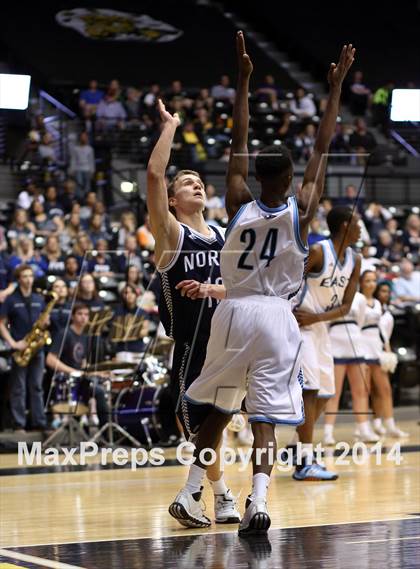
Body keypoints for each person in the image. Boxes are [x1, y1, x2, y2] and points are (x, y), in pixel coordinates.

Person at [169, 33, 355, 534]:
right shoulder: (304, 207)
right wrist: (334, 89)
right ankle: (259, 503)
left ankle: (191, 491)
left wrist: (244, 81)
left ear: (255, 175)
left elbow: (239, 139)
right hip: (277, 318)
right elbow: (323, 141)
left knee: (219, 407)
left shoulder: (235, 200)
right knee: (265, 418)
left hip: (232, 313)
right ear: (291, 178)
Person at [146, 95, 239, 524]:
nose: (196, 184)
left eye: (199, 180)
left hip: (229, 342)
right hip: (191, 345)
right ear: (171, 200)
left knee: (215, 426)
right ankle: (215, 494)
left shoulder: (224, 234)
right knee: (201, 427)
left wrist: (214, 289)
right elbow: (153, 174)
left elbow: (241, 287)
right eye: (186, 182)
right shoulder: (171, 234)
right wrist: (170, 127)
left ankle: (210, 495)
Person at [292, 206, 366, 478]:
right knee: (310, 390)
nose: (360, 229)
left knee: (325, 393)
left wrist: (318, 317)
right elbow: (288, 278)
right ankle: (305, 462)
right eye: (357, 224)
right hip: (301, 326)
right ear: (345, 225)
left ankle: (296, 447)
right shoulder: (319, 251)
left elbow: (346, 306)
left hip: (320, 326)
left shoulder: (355, 260)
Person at [359, 271, 408, 439]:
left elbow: (383, 332)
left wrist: (387, 348)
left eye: (373, 281)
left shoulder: (379, 306)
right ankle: (363, 427)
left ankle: (390, 425)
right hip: (362, 349)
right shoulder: (358, 301)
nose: (371, 284)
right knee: (364, 391)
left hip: (378, 349)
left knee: (385, 389)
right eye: (368, 280)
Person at [0, 265, 47, 431]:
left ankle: (39, 422)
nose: (28, 279)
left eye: (30, 276)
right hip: (20, 348)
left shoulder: (39, 299)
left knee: (37, 387)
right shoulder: (11, 300)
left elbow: (43, 322)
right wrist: (13, 343)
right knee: (18, 388)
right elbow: (1, 323)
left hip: (37, 349)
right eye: (25, 276)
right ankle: (19, 423)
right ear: (19, 279)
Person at [46, 303, 109, 427]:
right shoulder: (65, 334)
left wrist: (95, 373)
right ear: (73, 316)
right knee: (99, 392)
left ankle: (97, 425)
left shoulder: (86, 336)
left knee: (104, 384)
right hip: (67, 381)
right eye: (80, 314)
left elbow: (83, 363)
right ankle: (105, 431)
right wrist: (73, 372)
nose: (83, 317)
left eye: (86, 314)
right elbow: (50, 359)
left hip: (81, 380)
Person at [373, 280, 408, 437]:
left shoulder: (388, 314)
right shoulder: (369, 307)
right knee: (371, 390)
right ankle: (374, 424)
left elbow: (387, 335)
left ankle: (387, 424)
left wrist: (388, 351)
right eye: (382, 291)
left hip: (381, 353)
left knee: (384, 390)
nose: (385, 294)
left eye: (387, 291)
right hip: (365, 351)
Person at [69, 132, 95, 199]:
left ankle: (87, 199)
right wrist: (72, 169)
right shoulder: (76, 149)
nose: (84, 138)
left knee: (87, 186)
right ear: (80, 138)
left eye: (85, 137)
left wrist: (92, 171)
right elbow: (73, 160)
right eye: (82, 136)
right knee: (79, 185)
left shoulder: (90, 149)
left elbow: (91, 160)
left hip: (87, 169)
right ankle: (80, 199)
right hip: (78, 169)